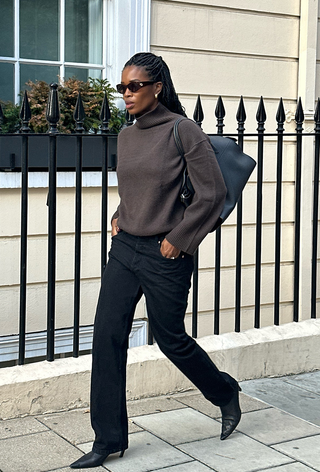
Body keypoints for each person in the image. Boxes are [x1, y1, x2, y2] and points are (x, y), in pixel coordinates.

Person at [70, 52, 241, 469]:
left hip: (166, 253)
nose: (126, 94)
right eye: (121, 88)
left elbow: (212, 193)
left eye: (134, 87)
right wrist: (119, 216)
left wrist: (179, 240)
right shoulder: (127, 136)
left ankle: (224, 392)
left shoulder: (184, 130)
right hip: (126, 249)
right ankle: (107, 439)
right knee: (107, 336)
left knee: (170, 339)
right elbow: (137, 188)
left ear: (157, 88)